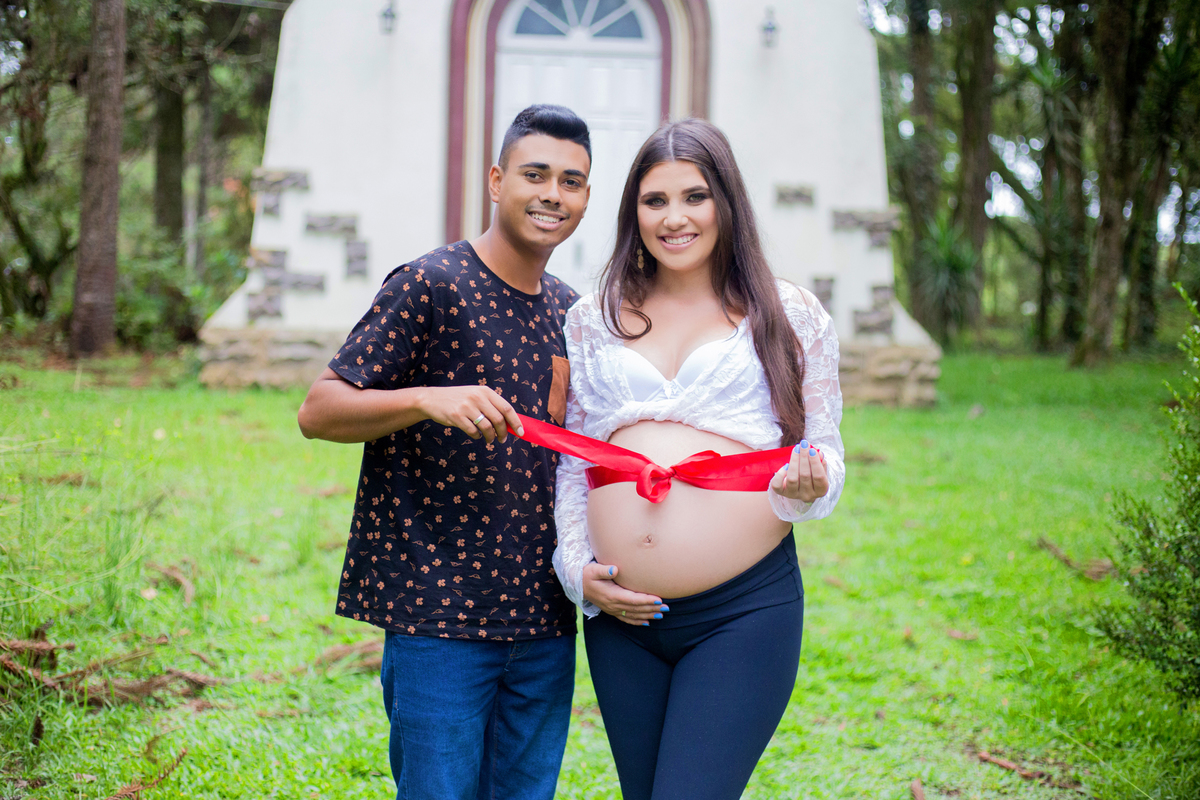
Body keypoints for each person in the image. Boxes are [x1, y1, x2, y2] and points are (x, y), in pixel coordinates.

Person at [297, 104, 591, 800]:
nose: (553, 194)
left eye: (572, 181)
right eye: (535, 174)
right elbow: (319, 410)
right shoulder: (430, 284)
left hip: (545, 621)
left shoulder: (572, 312)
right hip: (439, 620)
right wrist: (426, 398)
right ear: (496, 181)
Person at [552, 118, 845, 800]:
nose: (674, 218)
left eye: (695, 196)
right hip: (624, 622)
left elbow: (826, 453)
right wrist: (577, 572)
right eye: (654, 200)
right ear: (634, 213)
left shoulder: (790, 313)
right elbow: (573, 461)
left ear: (726, 203)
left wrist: (808, 485)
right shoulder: (593, 319)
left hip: (742, 613)